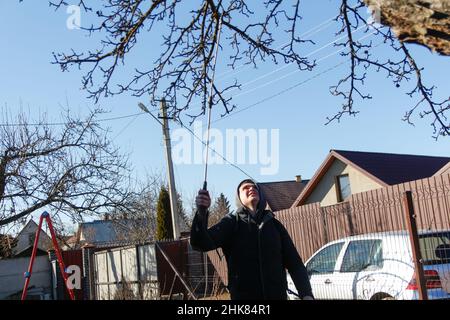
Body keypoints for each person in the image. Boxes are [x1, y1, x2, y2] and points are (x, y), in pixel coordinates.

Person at [190, 178, 314, 300]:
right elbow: (200, 243)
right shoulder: (231, 223)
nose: (251, 188)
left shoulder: (275, 226)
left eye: (255, 187)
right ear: (239, 197)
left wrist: (306, 293)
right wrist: (202, 212)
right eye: (246, 188)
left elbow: (295, 264)